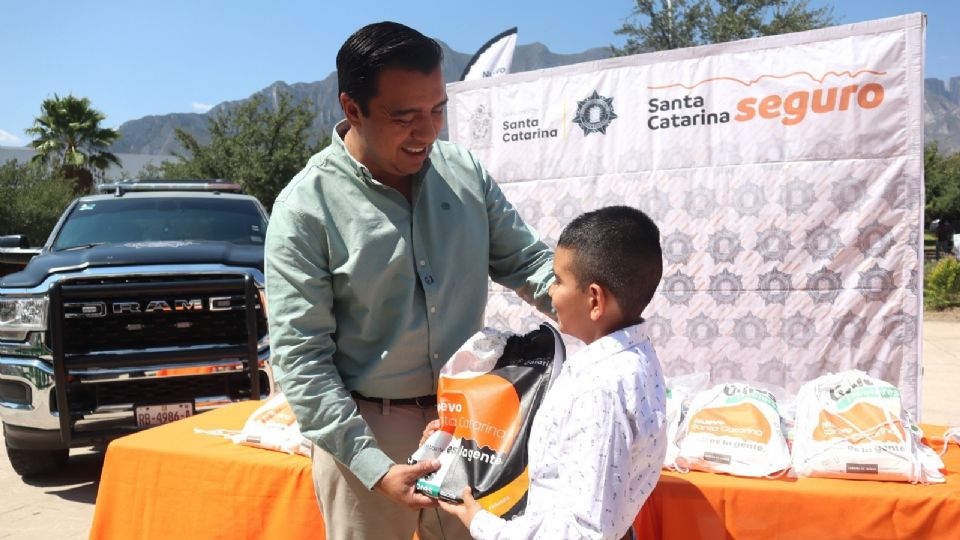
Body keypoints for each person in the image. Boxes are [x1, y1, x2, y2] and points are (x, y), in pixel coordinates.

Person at [263, 21, 554, 540]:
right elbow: (301, 357)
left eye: (438, 110)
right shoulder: (305, 207)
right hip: (364, 431)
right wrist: (373, 466)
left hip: (473, 424)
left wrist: (602, 309)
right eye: (406, 117)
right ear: (352, 109)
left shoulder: (464, 174)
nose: (428, 132)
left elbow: (529, 263)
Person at [436, 206, 668, 540]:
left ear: (594, 300)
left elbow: (582, 533)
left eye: (558, 280)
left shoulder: (599, 389)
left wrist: (482, 523)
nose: (549, 290)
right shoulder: (635, 358)